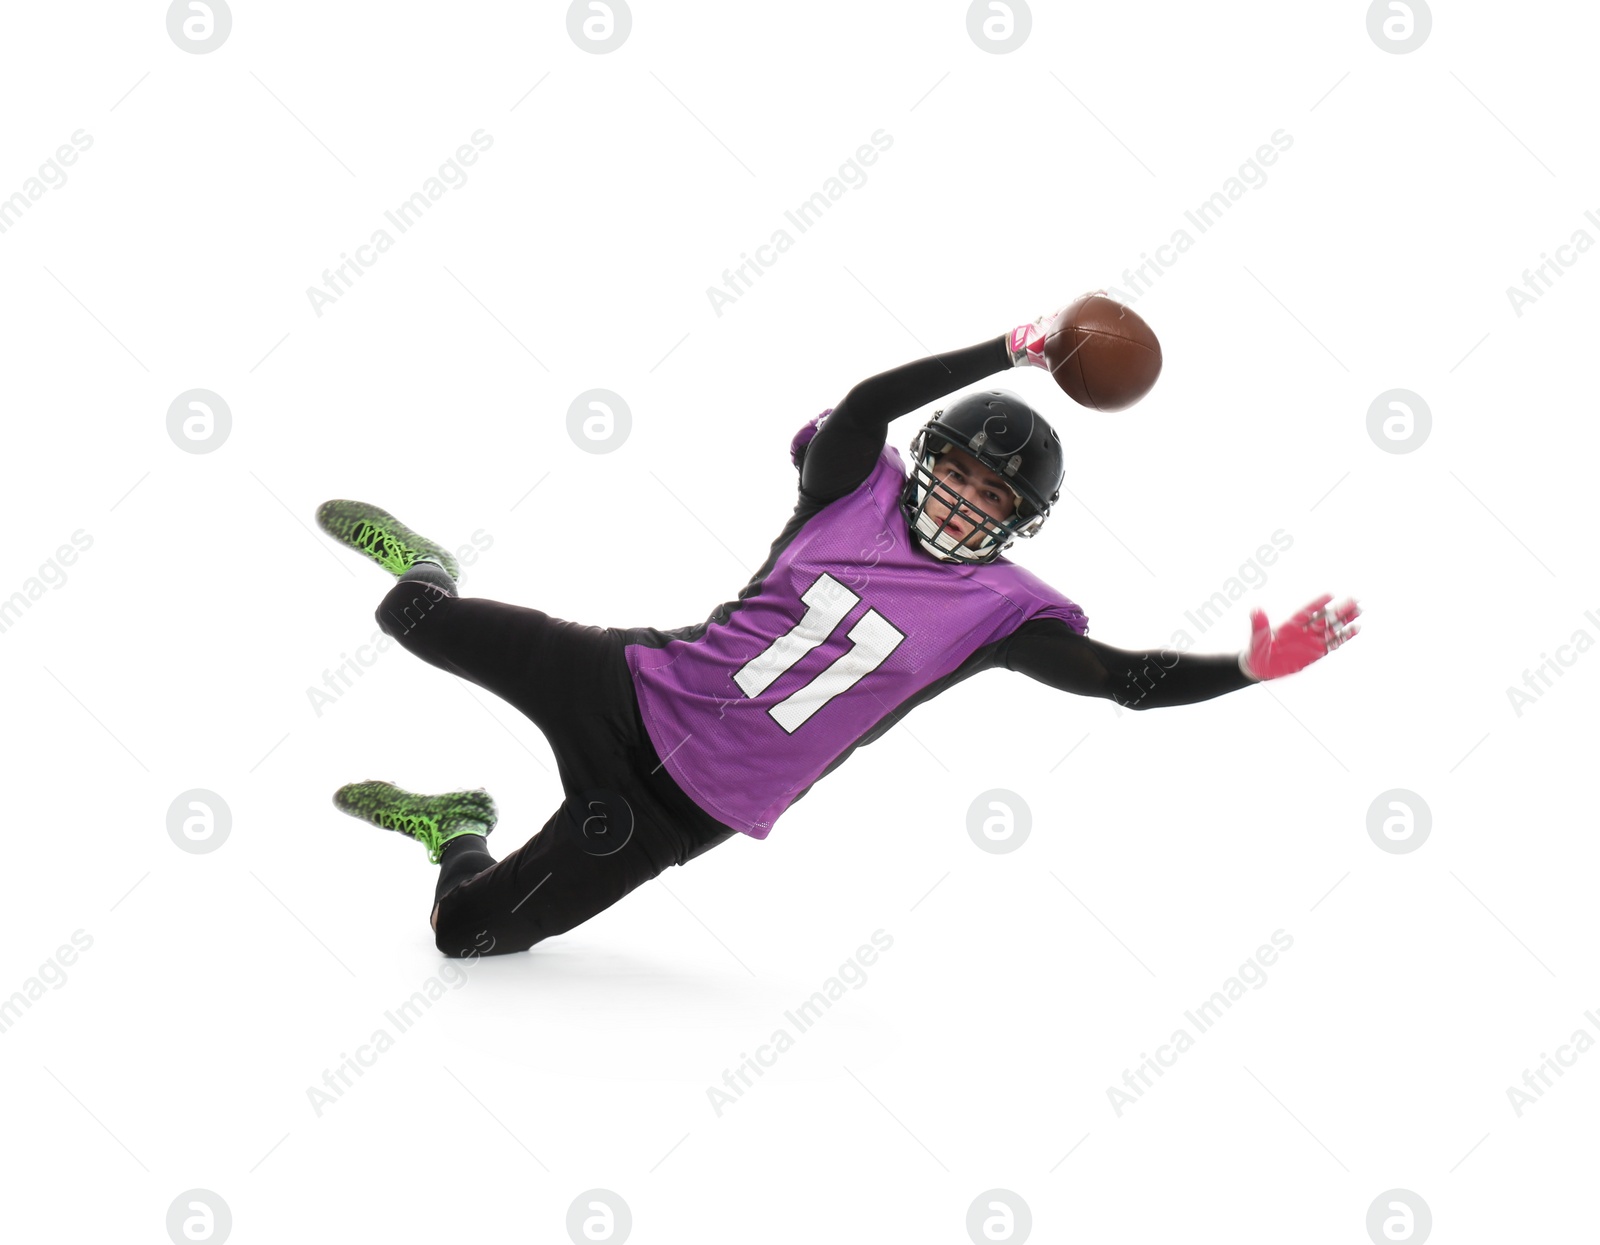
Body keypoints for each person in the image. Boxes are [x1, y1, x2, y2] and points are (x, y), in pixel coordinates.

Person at [318, 306, 1360, 959]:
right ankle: (427, 561)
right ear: (928, 455)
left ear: (1017, 518)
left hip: (674, 811)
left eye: (988, 492)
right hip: (625, 682)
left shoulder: (999, 614)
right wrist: (1013, 347)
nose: (960, 496)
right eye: (953, 468)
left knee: (468, 937)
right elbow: (865, 402)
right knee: (408, 614)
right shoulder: (851, 487)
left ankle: (453, 825)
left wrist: (1249, 669)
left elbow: (1123, 680)